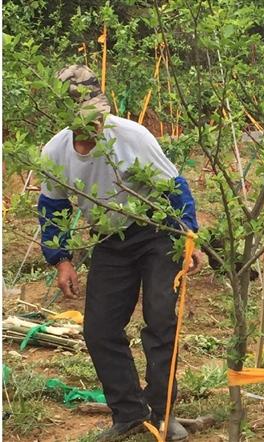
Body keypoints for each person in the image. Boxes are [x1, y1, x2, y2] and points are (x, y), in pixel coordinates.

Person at [38, 65, 202, 441]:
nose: (93, 125)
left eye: (97, 115)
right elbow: (53, 207)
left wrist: (187, 236)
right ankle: (129, 412)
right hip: (108, 240)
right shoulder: (55, 152)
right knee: (100, 328)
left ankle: (162, 414)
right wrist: (61, 259)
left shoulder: (132, 137)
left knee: (161, 319)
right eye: (83, 118)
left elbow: (176, 188)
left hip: (156, 232)